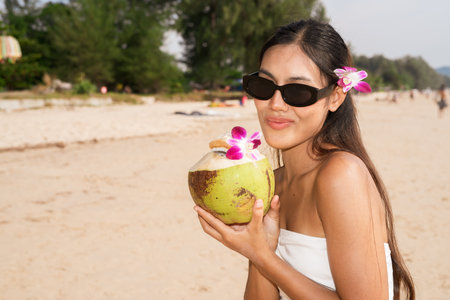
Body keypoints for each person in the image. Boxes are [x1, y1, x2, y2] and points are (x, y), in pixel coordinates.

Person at [194, 19, 415, 300]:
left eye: (298, 92)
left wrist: (263, 256)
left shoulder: (340, 174)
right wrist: (258, 250)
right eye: (263, 86)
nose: (275, 104)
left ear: (336, 97)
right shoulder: (271, 181)